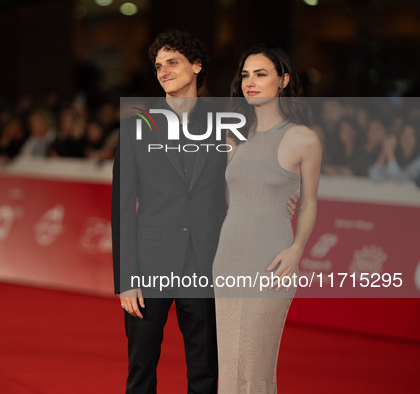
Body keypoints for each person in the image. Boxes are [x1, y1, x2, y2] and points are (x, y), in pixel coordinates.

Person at [111, 31, 298, 394]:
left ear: (196, 66)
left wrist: (285, 198)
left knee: (206, 372)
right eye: (158, 66)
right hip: (149, 265)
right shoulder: (137, 124)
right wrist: (126, 278)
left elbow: (255, 179)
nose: (163, 71)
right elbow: (121, 204)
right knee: (141, 370)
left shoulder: (229, 123)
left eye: (173, 62)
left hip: (208, 264)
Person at [212, 44, 322, 393]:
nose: (250, 82)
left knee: (255, 364)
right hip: (227, 258)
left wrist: (297, 249)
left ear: (283, 80)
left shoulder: (303, 138)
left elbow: (308, 203)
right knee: (230, 365)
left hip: (272, 261)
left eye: (261, 74)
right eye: (245, 75)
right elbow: (231, 198)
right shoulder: (234, 137)